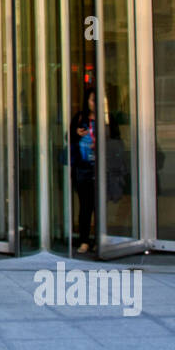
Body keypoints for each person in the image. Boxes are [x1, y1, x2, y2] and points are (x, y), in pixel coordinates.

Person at [70, 87, 98, 254]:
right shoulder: (80, 118)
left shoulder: (107, 119)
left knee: (98, 205)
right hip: (83, 166)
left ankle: (99, 240)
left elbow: (116, 139)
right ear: (87, 101)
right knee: (85, 205)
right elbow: (70, 137)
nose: (95, 103)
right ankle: (84, 240)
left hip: (100, 167)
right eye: (93, 99)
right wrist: (77, 133)